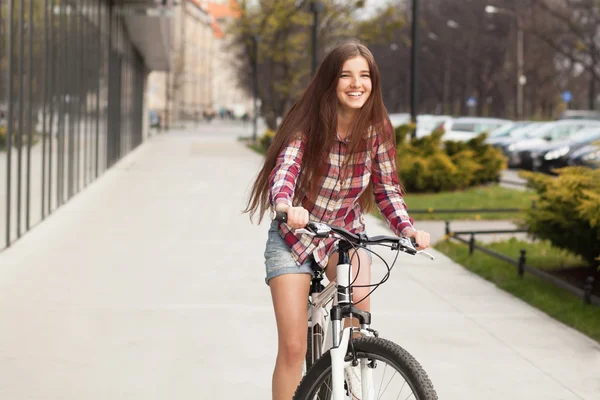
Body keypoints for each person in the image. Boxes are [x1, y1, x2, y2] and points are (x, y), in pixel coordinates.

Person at [244, 40, 431, 400]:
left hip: (343, 237)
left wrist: (407, 229)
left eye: (364, 76)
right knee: (294, 347)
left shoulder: (377, 130)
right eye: (346, 75)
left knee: (357, 324)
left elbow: (387, 189)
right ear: (331, 82)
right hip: (294, 239)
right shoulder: (309, 125)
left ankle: (353, 378)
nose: (356, 83)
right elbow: (286, 171)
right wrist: (286, 205)